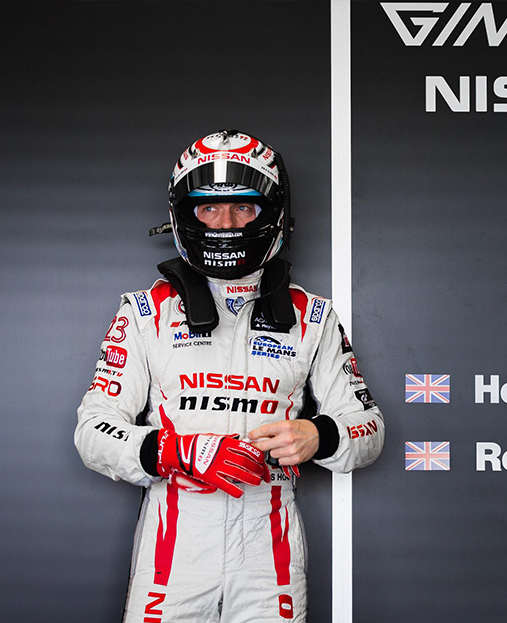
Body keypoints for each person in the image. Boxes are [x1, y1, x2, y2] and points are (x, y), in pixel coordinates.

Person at [75, 130, 384, 622]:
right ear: (183, 215)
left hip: (270, 544)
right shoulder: (145, 311)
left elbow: (368, 428)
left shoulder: (313, 315)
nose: (225, 222)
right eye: (208, 209)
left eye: (243, 207)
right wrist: (176, 451)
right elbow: (92, 431)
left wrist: (318, 435)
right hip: (174, 544)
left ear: (273, 213)